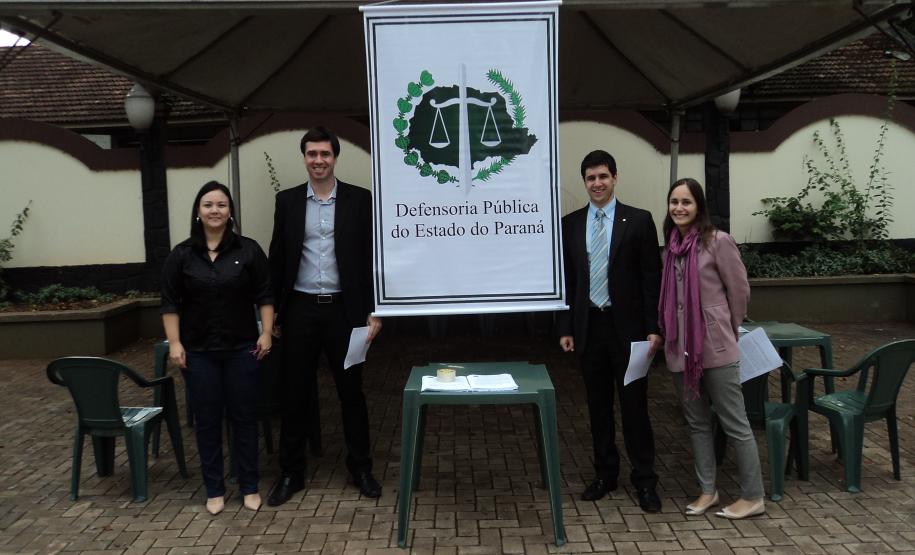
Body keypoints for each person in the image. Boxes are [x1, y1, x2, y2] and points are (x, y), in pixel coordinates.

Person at [266, 126, 382, 506]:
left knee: (352, 393)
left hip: (346, 313)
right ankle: (291, 473)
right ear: (304, 158)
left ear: (335, 158)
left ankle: (361, 468)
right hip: (299, 310)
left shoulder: (359, 201)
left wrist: (375, 312)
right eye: (312, 154)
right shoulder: (287, 202)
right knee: (295, 393)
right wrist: (273, 317)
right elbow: (278, 259)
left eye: (325, 154)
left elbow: (372, 260)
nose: (318, 160)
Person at [557, 150, 663, 512]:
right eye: (590, 178)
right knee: (598, 407)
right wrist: (566, 327)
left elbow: (653, 280)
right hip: (590, 326)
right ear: (584, 182)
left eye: (603, 176)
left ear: (615, 178)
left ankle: (645, 479)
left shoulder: (639, 221)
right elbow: (568, 282)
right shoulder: (570, 225)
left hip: (630, 330)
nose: (597, 183)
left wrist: (654, 328)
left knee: (635, 407)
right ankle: (605, 474)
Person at [161, 181, 274, 515]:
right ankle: (214, 489)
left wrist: (266, 332)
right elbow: (169, 302)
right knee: (208, 421)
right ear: (198, 211)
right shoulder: (181, 255)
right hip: (199, 353)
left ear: (231, 212)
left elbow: (265, 294)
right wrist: (176, 343)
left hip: (242, 349)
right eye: (208, 204)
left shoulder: (248, 250)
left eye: (222, 205)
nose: (215, 210)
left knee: (244, 418)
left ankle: (250, 486)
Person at [659, 177, 765, 519]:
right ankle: (708, 491)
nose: (679, 208)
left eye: (686, 202)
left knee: (735, 422)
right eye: (674, 201)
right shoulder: (670, 248)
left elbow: (739, 291)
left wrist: (726, 328)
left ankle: (753, 496)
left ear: (699, 207)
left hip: (716, 347)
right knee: (698, 424)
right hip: (680, 350)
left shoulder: (718, 242)